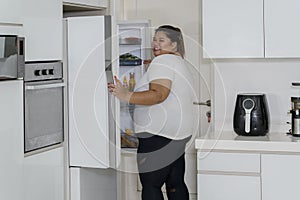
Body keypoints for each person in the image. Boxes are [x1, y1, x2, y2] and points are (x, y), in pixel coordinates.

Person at [108, 25, 196, 200]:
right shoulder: (178, 62)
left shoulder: (162, 62)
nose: (155, 43)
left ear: (174, 45)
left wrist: (125, 94)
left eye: (161, 40)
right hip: (177, 134)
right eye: (154, 39)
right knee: (175, 183)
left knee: (151, 185)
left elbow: (159, 95)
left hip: (158, 135)